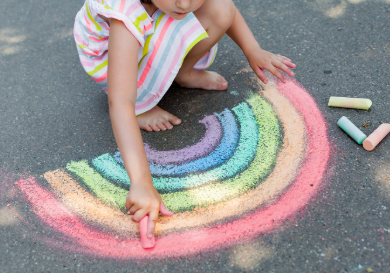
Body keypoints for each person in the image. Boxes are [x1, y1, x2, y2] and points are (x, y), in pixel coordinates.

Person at [73, 0, 296, 239]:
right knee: (128, 93)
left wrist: (253, 50)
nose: (184, 3)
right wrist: (141, 183)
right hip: (112, 59)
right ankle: (143, 104)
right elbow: (120, 103)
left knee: (219, 9)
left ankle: (183, 73)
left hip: (147, 24)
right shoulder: (126, 16)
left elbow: (225, 9)